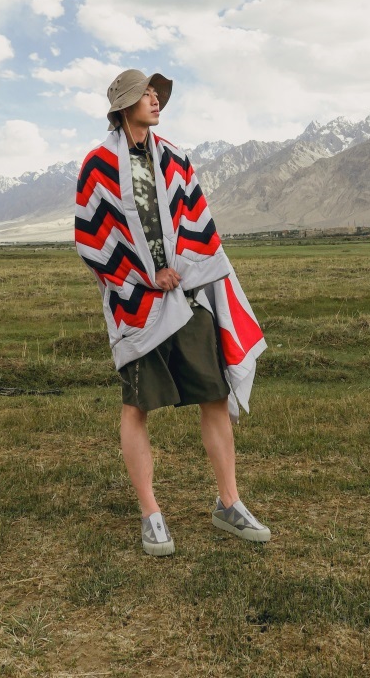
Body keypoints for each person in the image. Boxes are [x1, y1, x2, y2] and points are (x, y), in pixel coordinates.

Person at [74, 69, 269, 556]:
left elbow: (197, 220)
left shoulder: (176, 158)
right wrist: (145, 275)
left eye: (156, 93)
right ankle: (151, 514)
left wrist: (183, 269)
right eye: (145, 94)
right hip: (137, 305)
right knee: (136, 405)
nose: (155, 99)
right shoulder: (98, 165)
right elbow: (93, 238)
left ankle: (229, 504)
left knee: (215, 395)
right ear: (124, 105)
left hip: (187, 296)